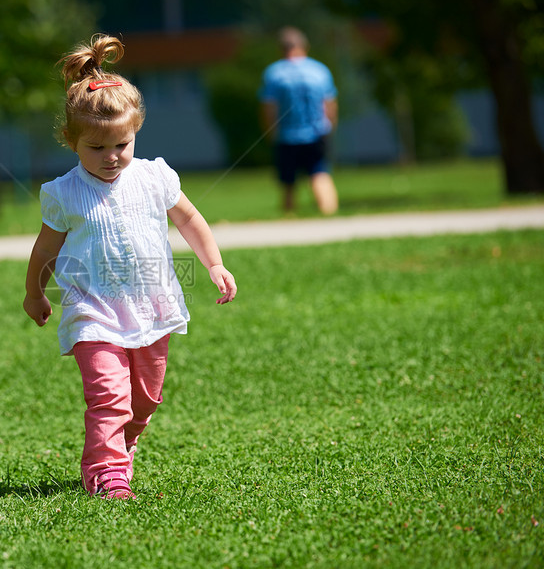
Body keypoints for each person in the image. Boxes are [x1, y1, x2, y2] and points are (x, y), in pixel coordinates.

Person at [23, 34, 237, 500]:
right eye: (97, 147)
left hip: (152, 305)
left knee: (144, 401)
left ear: (135, 132)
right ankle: (106, 473)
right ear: (72, 141)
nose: (112, 156)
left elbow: (190, 219)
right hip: (92, 310)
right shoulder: (65, 193)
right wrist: (35, 292)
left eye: (122, 143)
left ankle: (125, 442)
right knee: (109, 398)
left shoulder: (154, 177)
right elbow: (44, 251)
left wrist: (214, 264)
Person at [259, 27, 339, 215]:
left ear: (281, 48)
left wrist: (270, 132)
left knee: (288, 182)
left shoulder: (274, 73)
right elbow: (330, 104)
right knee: (320, 174)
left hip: (287, 135)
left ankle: (289, 219)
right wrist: (331, 126)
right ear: (305, 46)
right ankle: (329, 215)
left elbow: (269, 108)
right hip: (317, 132)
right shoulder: (320, 70)